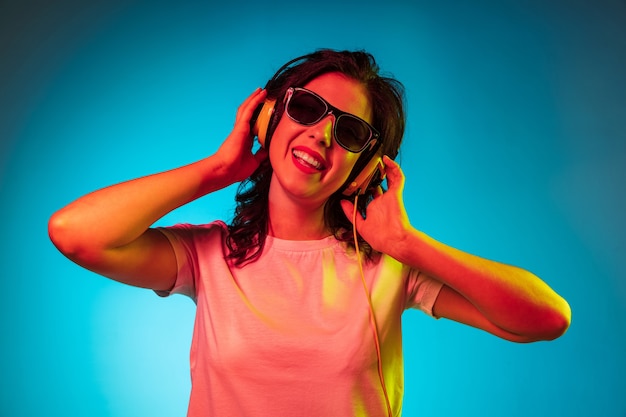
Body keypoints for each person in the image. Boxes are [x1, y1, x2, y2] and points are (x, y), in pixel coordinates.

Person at [48, 49, 571, 417]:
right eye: (305, 108)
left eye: (348, 131)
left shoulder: (390, 266)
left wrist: (408, 245)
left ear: (364, 167)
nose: (321, 133)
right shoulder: (208, 255)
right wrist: (219, 170)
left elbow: (547, 318)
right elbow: (75, 233)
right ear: (269, 118)